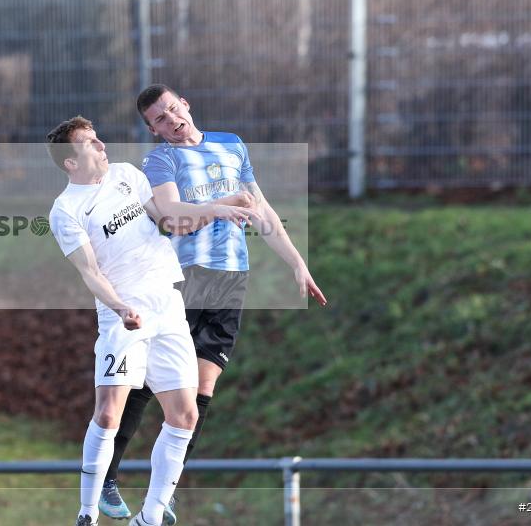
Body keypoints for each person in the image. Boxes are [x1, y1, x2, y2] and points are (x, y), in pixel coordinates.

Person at [99, 84, 328, 524]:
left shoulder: (231, 144)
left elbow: (259, 208)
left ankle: (164, 493)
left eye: (172, 110)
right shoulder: (160, 160)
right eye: (159, 120)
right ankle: (106, 477)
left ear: (185, 102)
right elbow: (172, 216)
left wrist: (297, 263)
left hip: (230, 282)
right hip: (183, 279)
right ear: (153, 130)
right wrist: (221, 206)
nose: (171, 121)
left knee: (203, 389)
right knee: (153, 381)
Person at [46, 116, 258, 526]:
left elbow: (170, 219)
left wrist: (220, 207)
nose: (102, 146)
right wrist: (120, 306)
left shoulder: (127, 175)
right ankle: (87, 513)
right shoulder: (66, 209)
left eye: (98, 138)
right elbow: (90, 272)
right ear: (71, 163)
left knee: (185, 415)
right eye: (90, 144)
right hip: (123, 316)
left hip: (168, 305)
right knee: (108, 413)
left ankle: (151, 517)